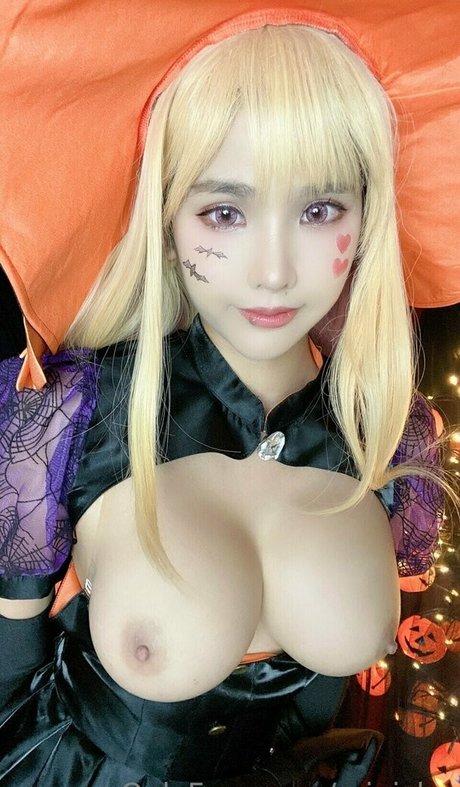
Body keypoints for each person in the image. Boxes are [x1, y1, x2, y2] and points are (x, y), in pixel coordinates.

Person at [0, 5, 456, 786]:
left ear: (367, 215)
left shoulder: (386, 437)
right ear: (168, 214)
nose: (273, 271)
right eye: (224, 211)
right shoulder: (75, 418)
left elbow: (313, 711)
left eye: (319, 209)